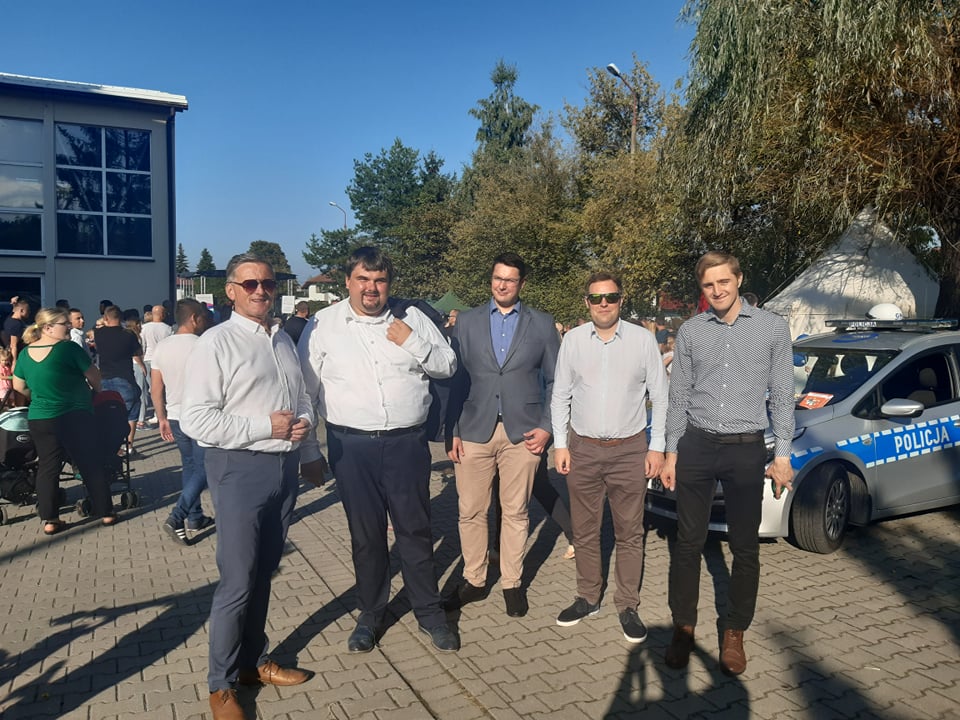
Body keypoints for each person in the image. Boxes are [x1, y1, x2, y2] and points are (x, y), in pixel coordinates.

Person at [298, 246, 460, 654]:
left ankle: (429, 612)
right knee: (366, 535)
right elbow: (305, 392)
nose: (371, 288)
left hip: (406, 444)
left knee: (415, 531)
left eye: (380, 280)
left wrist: (414, 342)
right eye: (363, 279)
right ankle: (370, 613)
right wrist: (308, 452)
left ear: (389, 284)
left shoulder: (413, 318)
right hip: (350, 447)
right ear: (348, 282)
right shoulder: (323, 324)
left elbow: (447, 365)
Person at [181, 253, 314, 720]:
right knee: (237, 580)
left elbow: (302, 398)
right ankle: (220, 685)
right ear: (231, 291)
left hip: (283, 468)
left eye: (268, 283)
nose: (261, 290)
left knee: (264, 572)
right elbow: (196, 419)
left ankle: (252, 663)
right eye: (250, 283)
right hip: (238, 468)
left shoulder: (282, 339)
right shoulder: (216, 343)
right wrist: (265, 427)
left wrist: (304, 427)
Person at [661, 250, 794, 676]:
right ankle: (683, 627)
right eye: (708, 284)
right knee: (687, 542)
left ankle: (734, 631)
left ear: (738, 279)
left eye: (723, 281)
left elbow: (783, 395)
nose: (717, 290)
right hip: (697, 445)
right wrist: (670, 452)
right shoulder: (691, 331)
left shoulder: (772, 328)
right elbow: (679, 397)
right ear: (702, 289)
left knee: (745, 545)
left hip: (745, 448)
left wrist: (783, 455)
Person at [550, 272, 668, 643]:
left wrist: (657, 447)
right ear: (586, 302)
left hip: (629, 449)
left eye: (611, 297)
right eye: (597, 298)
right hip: (582, 448)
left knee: (629, 532)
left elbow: (660, 396)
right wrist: (560, 444)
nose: (604, 304)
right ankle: (588, 597)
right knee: (585, 530)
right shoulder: (572, 340)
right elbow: (561, 395)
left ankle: (627, 604)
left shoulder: (642, 340)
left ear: (621, 299)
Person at [445, 252, 560, 618]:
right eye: (497, 277)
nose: (502, 285)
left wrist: (547, 426)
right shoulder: (467, 322)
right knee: (470, 511)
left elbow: (557, 381)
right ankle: (475, 580)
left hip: (523, 433)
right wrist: (452, 430)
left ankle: (512, 582)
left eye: (510, 279)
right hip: (473, 429)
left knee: (516, 512)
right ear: (491, 279)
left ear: (521, 283)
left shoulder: (542, 324)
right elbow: (454, 381)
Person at [11, 308, 117, 535]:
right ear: (48, 328)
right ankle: (106, 512)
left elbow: (18, 386)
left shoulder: (25, 353)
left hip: (40, 418)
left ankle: (50, 519)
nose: (68, 327)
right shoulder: (68, 349)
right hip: (74, 414)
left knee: (48, 467)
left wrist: (37, 395)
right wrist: (96, 392)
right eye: (64, 324)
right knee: (89, 462)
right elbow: (93, 375)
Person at [152, 299, 215, 545]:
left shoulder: (162, 347)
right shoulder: (204, 345)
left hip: (176, 416)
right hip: (201, 415)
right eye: (203, 317)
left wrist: (161, 417)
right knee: (205, 468)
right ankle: (178, 516)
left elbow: (156, 387)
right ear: (194, 318)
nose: (205, 322)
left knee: (189, 465)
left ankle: (195, 517)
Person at [95, 306, 145, 452]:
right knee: (132, 411)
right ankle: (128, 445)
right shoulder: (128, 335)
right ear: (121, 318)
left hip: (104, 379)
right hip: (125, 378)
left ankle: (112, 447)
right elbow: (137, 352)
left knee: (108, 413)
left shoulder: (98, 333)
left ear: (105, 318)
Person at [2, 299, 30, 366]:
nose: (29, 312)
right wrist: (14, 362)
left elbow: (14, 310)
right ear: (22, 310)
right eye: (28, 310)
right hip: (19, 355)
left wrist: (14, 303)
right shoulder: (16, 325)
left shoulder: (10, 318)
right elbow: (13, 345)